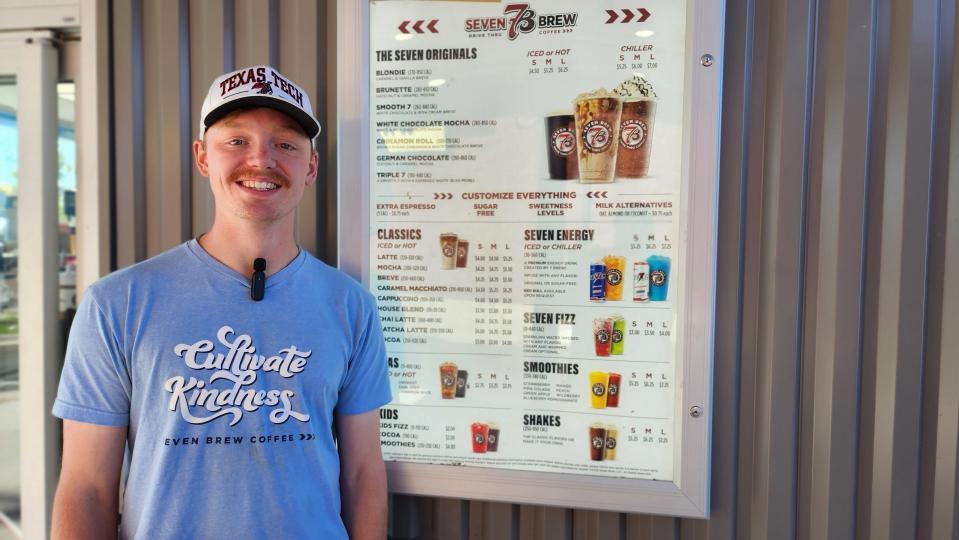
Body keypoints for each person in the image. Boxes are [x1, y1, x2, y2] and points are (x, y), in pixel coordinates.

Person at [50, 65, 391, 539]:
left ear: (310, 167)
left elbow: (363, 473)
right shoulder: (117, 303)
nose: (261, 159)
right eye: (236, 141)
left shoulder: (351, 306)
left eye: (286, 144)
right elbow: (86, 487)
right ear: (202, 157)